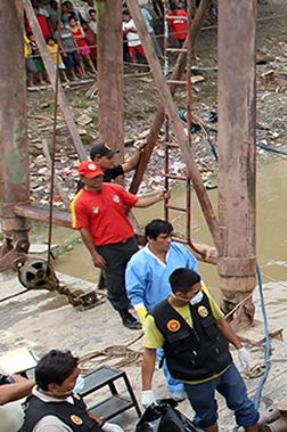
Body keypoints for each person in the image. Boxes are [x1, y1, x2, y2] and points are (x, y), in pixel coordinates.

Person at [140, 269, 259, 432]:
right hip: (195, 378)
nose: (199, 294)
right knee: (206, 416)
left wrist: (240, 347)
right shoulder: (158, 318)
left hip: (223, 366)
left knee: (243, 405)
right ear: (180, 294)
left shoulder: (203, 299)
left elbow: (220, 323)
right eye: (194, 292)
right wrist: (146, 389)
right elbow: (149, 353)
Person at [70, 160, 170, 330]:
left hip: (128, 241)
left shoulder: (114, 189)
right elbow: (84, 230)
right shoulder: (80, 203)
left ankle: (147, 303)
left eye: (100, 176)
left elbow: (135, 202)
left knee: (141, 273)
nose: (98, 180)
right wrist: (95, 254)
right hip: (108, 248)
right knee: (115, 281)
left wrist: (158, 198)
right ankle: (124, 313)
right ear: (83, 178)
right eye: (93, 178)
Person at [125, 220, 199, 400]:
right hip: (161, 314)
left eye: (171, 236)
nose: (169, 241)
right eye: (164, 238)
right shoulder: (138, 263)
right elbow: (136, 295)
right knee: (168, 350)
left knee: (194, 342)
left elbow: (195, 275)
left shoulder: (180, 252)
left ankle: (197, 375)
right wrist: (145, 318)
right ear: (150, 239)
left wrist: (200, 298)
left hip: (187, 306)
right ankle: (176, 384)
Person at [20, 350, 120, 432]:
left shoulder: (63, 394)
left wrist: (103, 425)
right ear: (53, 387)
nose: (78, 381)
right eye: (73, 380)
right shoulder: (50, 425)